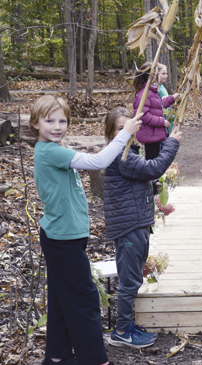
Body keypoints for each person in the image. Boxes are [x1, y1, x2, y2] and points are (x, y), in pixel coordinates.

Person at [30, 95, 142, 365]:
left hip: (64, 237)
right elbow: (98, 162)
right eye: (49, 121)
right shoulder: (50, 151)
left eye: (63, 121)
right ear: (35, 123)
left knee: (61, 300)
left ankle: (56, 357)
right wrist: (124, 134)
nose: (57, 126)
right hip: (62, 240)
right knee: (85, 299)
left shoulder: (53, 148)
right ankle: (95, 360)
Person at [102, 107, 182, 348]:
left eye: (130, 126)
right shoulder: (122, 155)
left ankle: (126, 325)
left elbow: (135, 180)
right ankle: (122, 331)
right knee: (130, 281)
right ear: (109, 133)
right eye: (119, 128)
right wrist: (171, 144)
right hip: (130, 226)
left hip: (135, 222)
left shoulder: (127, 152)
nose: (126, 131)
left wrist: (150, 187)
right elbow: (153, 167)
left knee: (132, 278)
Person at [133, 62, 180, 160]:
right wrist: (162, 122)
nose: (158, 76)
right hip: (150, 134)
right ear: (150, 76)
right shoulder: (144, 93)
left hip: (154, 134)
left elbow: (158, 105)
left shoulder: (151, 91)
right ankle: (151, 175)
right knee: (152, 161)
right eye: (156, 74)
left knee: (156, 159)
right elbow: (144, 115)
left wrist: (172, 98)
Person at [152, 63, 174, 135]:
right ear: (156, 74)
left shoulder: (161, 86)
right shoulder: (156, 88)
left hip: (168, 115)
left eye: (166, 73)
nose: (166, 76)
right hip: (162, 117)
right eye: (163, 74)